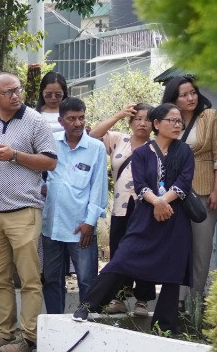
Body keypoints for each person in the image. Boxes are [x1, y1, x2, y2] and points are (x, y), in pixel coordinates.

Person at [74, 103, 194, 333]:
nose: (178, 125)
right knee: (122, 259)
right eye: (172, 120)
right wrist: (156, 202)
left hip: (175, 219)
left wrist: (163, 202)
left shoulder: (184, 151)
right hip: (146, 217)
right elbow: (139, 185)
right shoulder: (141, 153)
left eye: (180, 121)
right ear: (157, 124)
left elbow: (183, 183)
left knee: (172, 271)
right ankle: (88, 306)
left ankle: (164, 326)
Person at [0, 73, 59, 352]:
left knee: (29, 278)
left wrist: (15, 156)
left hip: (23, 210)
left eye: (17, 90)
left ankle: (28, 338)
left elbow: (51, 161)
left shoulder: (35, 120)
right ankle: (3, 332)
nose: (15, 95)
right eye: (8, 92)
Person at [38, 97, 108, 316]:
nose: (78, 123)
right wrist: (42, 186)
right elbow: (37, 171)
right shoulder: (51, 142)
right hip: (52, 225)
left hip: (80, 227)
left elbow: (99, 186)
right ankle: (55, 323)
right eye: (71, 119)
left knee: (87, 279)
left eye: (81, 118)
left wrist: (90, 222)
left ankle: (83, 323)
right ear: (61, 121)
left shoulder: (95, 148)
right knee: (51, 279)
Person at [162, 75, 217, 304]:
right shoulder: (168, 120)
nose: (191, 98)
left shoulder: (210, 117)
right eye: (184, 94)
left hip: (204, 192)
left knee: (201, 248)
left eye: (193, 92)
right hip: (173, 194)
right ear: (173, 99)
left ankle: (196, 300)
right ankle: (176, 300)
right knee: (177, 247)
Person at [89, 103, 153, 315]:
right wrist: (119, 114)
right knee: (119, 251)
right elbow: (93, 134)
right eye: (137, 118)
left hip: (147, 208)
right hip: (121, 206)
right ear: (130, 122)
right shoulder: (118, 139)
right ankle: (119, 298)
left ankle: (142, 300)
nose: (142, 123)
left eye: (148, 119)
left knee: (145, 252)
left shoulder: (158, 145)